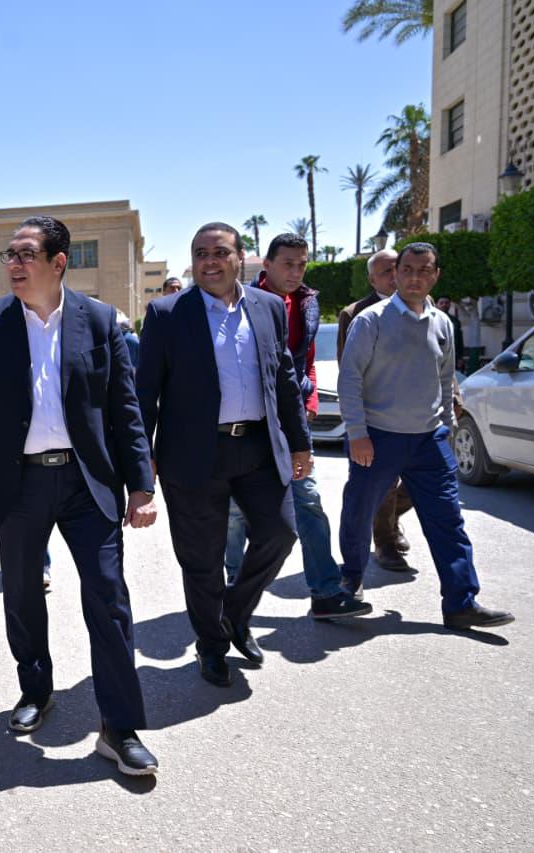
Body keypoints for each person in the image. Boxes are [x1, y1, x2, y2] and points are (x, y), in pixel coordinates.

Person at [0, 215, 159, 777]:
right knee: (21, 594)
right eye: (10, 255)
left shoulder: (99, 320)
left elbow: (125, 409)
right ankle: (36, 689)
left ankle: (119, 727)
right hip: (17, 484)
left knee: (108, 598)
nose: (14, 265)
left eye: (26, 255)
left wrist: (141, 485)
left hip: (88, 482)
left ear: (58, 262)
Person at [137, 222, 350, 690]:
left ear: (240, 257)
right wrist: (142, 462)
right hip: (193, 454)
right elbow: (145, 392)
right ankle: (212, 646)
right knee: (202, 558)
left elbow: (284, 379)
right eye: (200, 253)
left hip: (258, 446)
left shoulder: (268, 307)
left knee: (281, 533)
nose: (209, 261)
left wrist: (300, 443)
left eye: (219, 252)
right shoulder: (167, 313)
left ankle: (233, 614)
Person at [337, 243, 514, 630]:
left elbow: (445, 378)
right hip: (378, 438)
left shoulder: (442, 323)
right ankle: (348, 584)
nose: (414, 277)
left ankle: (461, 603)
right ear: (396, 273)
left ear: (435, 275)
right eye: (407, 269)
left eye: (424, 270)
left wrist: (447, 427)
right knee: (359, 511)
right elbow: (349, 378)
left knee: (447, 520)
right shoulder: (371, 320)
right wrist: (357, 433)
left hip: (429, 440)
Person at [224, 234, 368, 620]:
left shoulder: (306, 302)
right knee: (235, 513)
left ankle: (325, 592)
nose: (295, 271)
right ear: (267, 265)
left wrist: (309, 403)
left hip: (292, 424)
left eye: (302, 264)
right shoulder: (241, 302)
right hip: (250, 424)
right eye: (287, 263)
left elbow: (305, 361)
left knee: (308, 504)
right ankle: (234, 589)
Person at [337, 249, 415, 572]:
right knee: (382, 484)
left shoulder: (422, 304)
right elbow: (349, 371)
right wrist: (357, 426)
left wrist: (452, 397)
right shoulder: (355, 313)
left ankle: (389, 520)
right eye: (386, 271)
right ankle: (385, 544)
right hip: (377, 417)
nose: (395, 276)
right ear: (372, 279)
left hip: (419, 416)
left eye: (398, 268)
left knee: (421, 481)